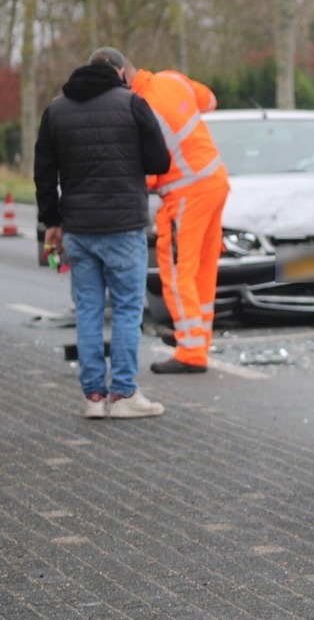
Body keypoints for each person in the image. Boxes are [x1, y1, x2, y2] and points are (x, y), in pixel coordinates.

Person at [34, 47, 170, 418]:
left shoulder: (56, 109)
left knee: (89, 311)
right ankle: (124, 395)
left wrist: (52, 223)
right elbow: (160, 161)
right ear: (120, 71)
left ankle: (93, 397)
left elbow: (44, 173)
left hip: (77, 228)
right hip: (123, 227)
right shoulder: (132, 104)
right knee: (127, 310)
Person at [120, 54, 230, 374]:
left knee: (178, 272)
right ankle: (196, 337)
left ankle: (191, 353)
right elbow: (209, 100)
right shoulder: (172, 78)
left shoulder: (139, 110)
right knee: (203, 268)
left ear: (123, 79)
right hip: (215, 181)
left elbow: (152, 172)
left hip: (185, 193)